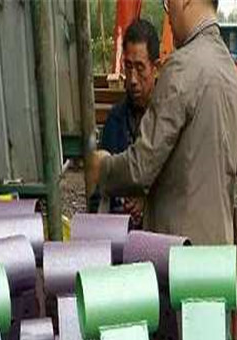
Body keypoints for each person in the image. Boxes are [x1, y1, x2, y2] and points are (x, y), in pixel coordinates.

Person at [90, 0, 237, 247]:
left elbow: (141, 167)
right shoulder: (230, 73)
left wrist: (102, 168)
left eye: (167, 3)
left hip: (181, 254)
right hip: (219, 251)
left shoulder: (183, 67)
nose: (168, 14)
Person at [89, 17, 159, 222]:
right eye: (128, 67)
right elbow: (98, 188)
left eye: (140, 67)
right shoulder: (115, 120)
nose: (133, 79)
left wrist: (148, 201)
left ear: (155, 67)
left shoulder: (168, 120)